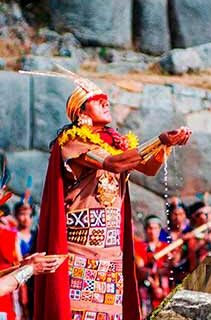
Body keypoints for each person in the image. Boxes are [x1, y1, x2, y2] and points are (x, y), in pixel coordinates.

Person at [31, 68, 192, 320]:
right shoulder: (72, 142)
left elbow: (149, 168)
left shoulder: (116, 143)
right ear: (82, 112)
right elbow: (114, 164)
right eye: (97, 100)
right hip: (79, 253)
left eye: (106, 98)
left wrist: (165, 144)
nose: (106, 102)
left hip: (111, 255)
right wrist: (158, 139)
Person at [135, 216, 169, 318]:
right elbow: (140, 268)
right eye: (150, 228)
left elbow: (169, 267)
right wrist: (154, 284)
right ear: (145, 230)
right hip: (145, 289)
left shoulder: (166, 247)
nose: (152, 231)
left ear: (159, 230)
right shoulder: (138, 246)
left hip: (164, 289)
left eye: (155, 228)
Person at [185, 203, 211, 270]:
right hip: (203, 269)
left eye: (209, 213)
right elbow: (193, 261)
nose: (210, 216)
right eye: (206, 214)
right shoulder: (192, 238)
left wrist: (202, 236)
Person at [13, 201, 36, 320]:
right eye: (22, 214)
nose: (26, 218)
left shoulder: (37, 235)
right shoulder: (12, 236)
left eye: (29, 215)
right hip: (16, 279)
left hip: (34, 281)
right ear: (16, 215)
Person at [164, 202, 191, 286]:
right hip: (168, 272)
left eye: (181, 214)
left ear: (185, 215)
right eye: (175, 214)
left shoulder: (190, 231)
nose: (178, 217)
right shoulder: (164, 233)